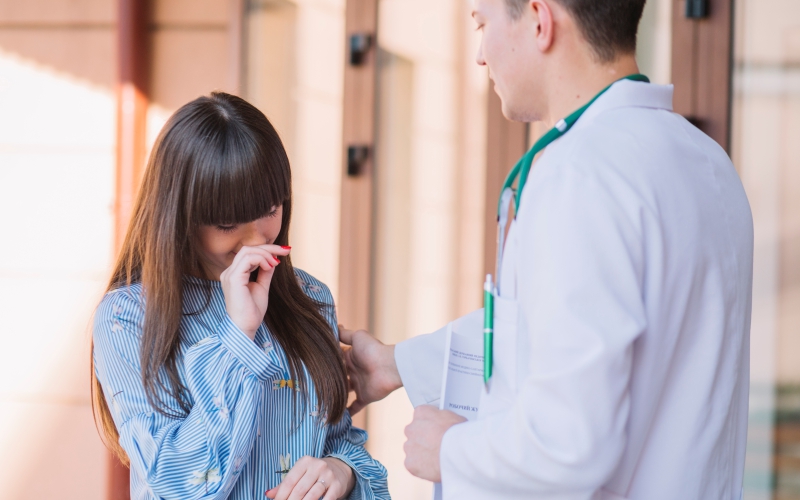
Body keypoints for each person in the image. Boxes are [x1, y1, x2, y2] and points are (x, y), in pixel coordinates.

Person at [340, 0, 753, 499]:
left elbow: (569, 441)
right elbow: (554, 327)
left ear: (539, 19)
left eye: (483, 23)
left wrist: (451, 451)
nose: (480, 55)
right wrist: (396, 364)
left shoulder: (579, 173)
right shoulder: (706, 161)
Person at [91, 92, 389, 500]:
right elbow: (176, 480)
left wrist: (341, 471)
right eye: (229, 221)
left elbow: (339, 441)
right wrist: (238, 335)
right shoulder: (128, 317)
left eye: (269, 210)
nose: (255, 239)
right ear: (181, 214)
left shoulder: (310, 297)